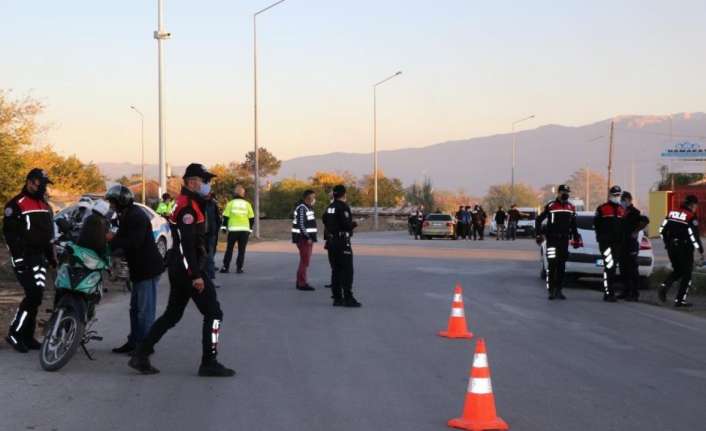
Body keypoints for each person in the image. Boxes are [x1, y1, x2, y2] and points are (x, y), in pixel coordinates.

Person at [129, 163, 235, 377]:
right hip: (189, 268)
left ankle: (141, 354)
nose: (207, 185)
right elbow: (187, 246)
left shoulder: (191, 203)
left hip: (181, 267)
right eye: (204, 180)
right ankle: (209, 362)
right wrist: (195, 275)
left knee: (172, 315)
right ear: (191, 182)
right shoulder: (188, 207)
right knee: (214, 314)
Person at [105, 186, 165, 355]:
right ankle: (134, 342)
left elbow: (134, 242)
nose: (111, 205)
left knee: (144, 311)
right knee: (135, 309)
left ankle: (144, 348)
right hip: (139, 268)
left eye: (112, 202)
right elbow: (124, 243)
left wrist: (113, 239)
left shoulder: (136, 216)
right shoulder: (127, 214)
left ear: (120, 201)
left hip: (148, 268)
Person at [4, 168, 56, 353]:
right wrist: (19, 258)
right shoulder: (16, 204)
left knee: (37, 296)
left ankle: (28, 335)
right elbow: (10, 235)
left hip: (40, 258)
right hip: (24, 258)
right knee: (33, 294)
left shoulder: (44, 206)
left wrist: (51, 258)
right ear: (31, 182)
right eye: (41, 183)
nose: (43, 187)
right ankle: (14, 333)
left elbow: (48, 235)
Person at [536, 185, 582, 300]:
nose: (566, 193)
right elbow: (538, 220)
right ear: (558, 193)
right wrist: (538, 234)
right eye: (563, 192)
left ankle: (559, 290)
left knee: (561, 267)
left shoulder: (571, 207)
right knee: (552, 265)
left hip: (564, 241)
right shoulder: (551, 205)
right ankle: (551, 291)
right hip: (552, 240)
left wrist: (576, 238)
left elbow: (574, 224)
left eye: (567, 191)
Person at [658, 195, 704, 307]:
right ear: (692, 205)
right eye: (696, 205)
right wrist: (700, 250)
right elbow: (693, 235)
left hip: (671, 247)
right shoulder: (690, 216)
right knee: (687, 274)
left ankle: (664, 286)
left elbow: (661, 230)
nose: (696, 208)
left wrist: (667, 243)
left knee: (678, 270)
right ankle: (680, 300)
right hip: (684, 248)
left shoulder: (672, 213)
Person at [322, 185, 361, 307]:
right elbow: (346, 224)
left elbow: (324, 220)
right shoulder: (343, 207)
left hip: (331, 242)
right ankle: (348, 298)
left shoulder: (329, 207)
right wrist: (354, 223)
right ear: (344, 194)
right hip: (342, 242)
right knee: (347, 271)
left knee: (336, 270)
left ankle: (337, 298)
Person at [594, 186, 626, 302]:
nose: (617, 197)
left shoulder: (622, 210)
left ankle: (610, 291)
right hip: (606, 243)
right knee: (609, 266)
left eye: (618, 195)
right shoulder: (602, 209)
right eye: (615, 195)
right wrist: (601, 239)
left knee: (612, 268)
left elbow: (623, 227)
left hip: (617, 244)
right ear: (610, 195)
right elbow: (597, 225)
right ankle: (608, 293)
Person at [618, 191, 649, 301]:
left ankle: (634, 293)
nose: (622, 202)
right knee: (623, 269)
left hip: (631, 244)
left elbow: (645, 220)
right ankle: (625, 291)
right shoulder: (621, 212)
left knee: (632, 269)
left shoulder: (634, 212)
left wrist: (636, 231)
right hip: (622, 244)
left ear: (629, 200)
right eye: (622, 199)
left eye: (624, 200)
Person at [220, 185, 254, 274]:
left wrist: (224, 227)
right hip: (244, 230)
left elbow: (226, 217)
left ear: (235, 193)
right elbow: (251, 218)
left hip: (233, 230)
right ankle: (239, 268)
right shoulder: (247, 204)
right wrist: (250, 229)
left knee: (229, 249)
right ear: (243, 194)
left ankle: (225, 267)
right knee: (241, 250)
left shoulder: (231, 203)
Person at [292, 190, 318, 291]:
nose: (314, 199)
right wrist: (308, 237)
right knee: (304, 261)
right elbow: (301, 225)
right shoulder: (302, 208)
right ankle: (302, 283)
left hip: (306, 239)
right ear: (307, 197)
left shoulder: (308, 207)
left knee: (304, 261)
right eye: (313, 197)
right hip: (303, 239)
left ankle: (300, 281)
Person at [202, 185, 221, 288]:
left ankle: (210, 280)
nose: (208, 194)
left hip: (211, 235)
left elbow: (217, 219)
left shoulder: (213, 204)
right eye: (206, 193)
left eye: (209, 193)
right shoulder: (198, 204)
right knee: (200, 258)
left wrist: (215, 232)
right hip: (200, 235)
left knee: (210, 258)